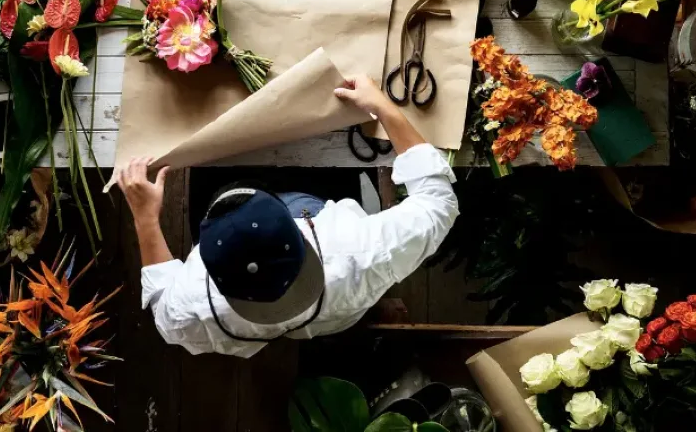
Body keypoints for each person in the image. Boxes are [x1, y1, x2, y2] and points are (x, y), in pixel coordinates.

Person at [116, 76, 459, 357]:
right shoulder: (357, 252)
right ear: (300, 240)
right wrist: (383, 106)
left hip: (231, 201)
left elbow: (161, 303)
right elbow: (438, 203)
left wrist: (145, 219)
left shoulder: (191, 309)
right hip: (315, 221)